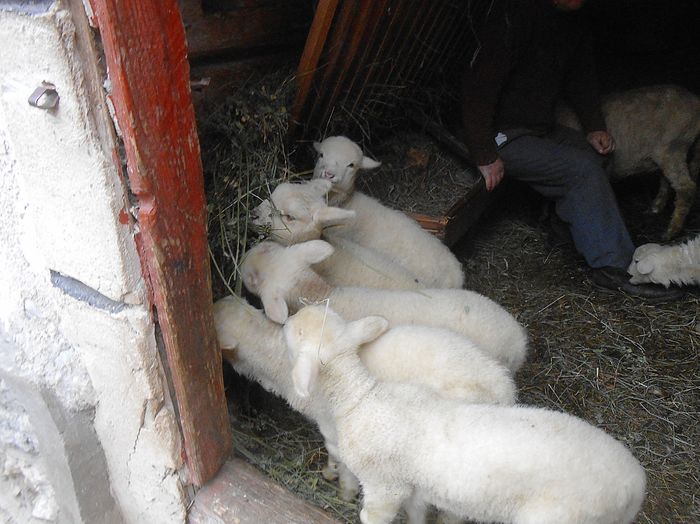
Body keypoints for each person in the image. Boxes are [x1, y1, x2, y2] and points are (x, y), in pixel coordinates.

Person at [459, 0, 683, 300]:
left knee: (599, 157)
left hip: (539, 128)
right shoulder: (514, 16)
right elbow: (477, 88)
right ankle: (615, 267)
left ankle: (566, 235)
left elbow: (581, 76)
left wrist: (594, 127)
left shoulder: (573, 21)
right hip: (501, 135)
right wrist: (484, 154)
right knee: (580, 170)